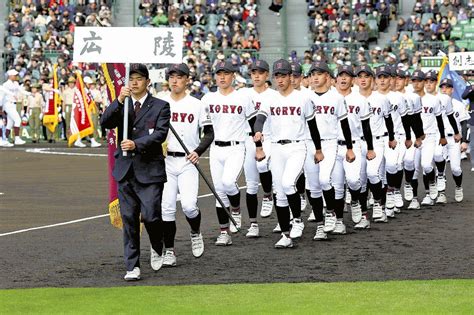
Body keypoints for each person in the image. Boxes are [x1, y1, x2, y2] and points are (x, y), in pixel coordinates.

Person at [100, 63, 171, 281]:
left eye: (139, 79)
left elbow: (159, 134)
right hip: (126, 170)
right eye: (131, 79)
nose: (134, 83)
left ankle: (158, 246)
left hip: (150, 171)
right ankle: (132, 265)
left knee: (151, 216)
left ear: (148, 82)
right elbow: (105, 122)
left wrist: (136, 144)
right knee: (129, 219)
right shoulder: (123, 104)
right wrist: (119, 100)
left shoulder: (161, 105)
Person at [254, 59, 323, 248]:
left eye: (283, 75)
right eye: (277, 76)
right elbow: (259, 119)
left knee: (287, 183)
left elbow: (313, 126)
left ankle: (298, 221)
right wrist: (258, 135)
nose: (280, 79)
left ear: (291, 77)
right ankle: (286, 235)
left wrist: (318, 149)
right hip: (276, 147)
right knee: (279, 192)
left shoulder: (303, 98)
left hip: (297, 147)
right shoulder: (269, 99)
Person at [160, 63, 214, 265]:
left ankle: (195, 232)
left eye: (179, 76)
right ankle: (170, 252)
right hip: (165, 162)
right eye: (171, 76)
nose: (174, 80)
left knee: (190, 206)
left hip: (187, 161)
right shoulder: (159, 102)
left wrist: (197, 151)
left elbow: (209, 133)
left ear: (186, 80)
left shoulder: (197, 104)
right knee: (166, 208)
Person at [201, 60, 255, 246]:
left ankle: (237, 209)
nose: (222, 77)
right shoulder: (207, 99)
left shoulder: (242, 97)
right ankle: (224, 232)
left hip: (236, 147)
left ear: (233, 76)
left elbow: (254, 119)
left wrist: (258, 136)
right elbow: (204, 128)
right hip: (215, 149)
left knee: (228, 182)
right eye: (219, 74)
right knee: (219, 192)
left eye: (226, 73)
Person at [334, 65, 375, 230]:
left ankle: (357, 202)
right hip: (334, 145)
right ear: (336, 79)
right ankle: (338, 222)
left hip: (355, 144)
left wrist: (370, 148)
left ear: (353, 80)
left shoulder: (360, 100)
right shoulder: (330, 98)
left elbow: (366, 127)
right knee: (337, 186)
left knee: (353, 180)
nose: (343, 78)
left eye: (347, 76)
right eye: (341, 75)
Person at [241, 59, 278, 238]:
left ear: (267, 75)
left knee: (263, 166)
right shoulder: (243, 94)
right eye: (253, 72)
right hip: (249, 140)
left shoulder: (274, 95)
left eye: (260, 72)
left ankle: (268, 195)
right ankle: (253, 224)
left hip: (269, 138)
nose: (256, 75)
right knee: (250, 185)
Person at [433, 78, 466, 202]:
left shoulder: (458, 104)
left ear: (452, 90)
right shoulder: (435, 102)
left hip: (454, 138)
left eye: (447, 87)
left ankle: (458, 187)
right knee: (438, 158)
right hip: (439, 136)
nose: (444, 89)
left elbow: (463, 123)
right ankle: (441, 193)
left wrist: (464, 140)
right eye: (442, 87)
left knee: (456, 168)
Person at [1, 69, 27, 146]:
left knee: (10, 123)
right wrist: (2, 107)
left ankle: (4, 139)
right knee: (18, 120)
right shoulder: (5, 85)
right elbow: (2, 96)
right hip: (8, 104)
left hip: (14, 104)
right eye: (15, 75)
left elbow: (21, 90)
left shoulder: (16, 83)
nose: (16, 76)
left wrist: (29, 93)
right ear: (10, 76)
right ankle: (17, 138)